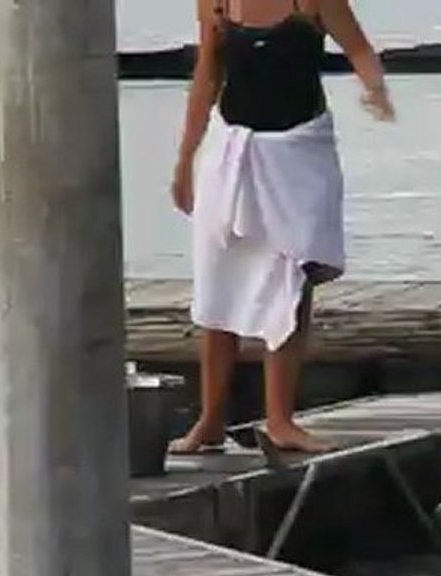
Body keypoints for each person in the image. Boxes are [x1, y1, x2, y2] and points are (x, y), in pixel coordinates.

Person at [169, 0, 394, 454]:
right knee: (218, 280)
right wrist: (184, 160)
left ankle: (280, 420)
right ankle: (211, 421)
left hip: (298, 151)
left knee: (292, 277)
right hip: (232, 149)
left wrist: (375, 89)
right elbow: (207, 77)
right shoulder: (217, 3)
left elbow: (360, 49)